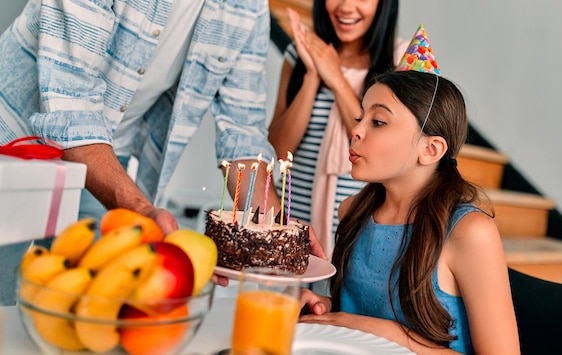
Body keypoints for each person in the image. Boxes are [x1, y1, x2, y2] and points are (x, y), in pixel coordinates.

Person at [0, 0, 324, 305]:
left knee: (92, 303)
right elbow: (70, 104)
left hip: (105, 156)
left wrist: (277, 232)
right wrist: (143, 209)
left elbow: (243, 133)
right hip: (11, 137)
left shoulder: (248, 7)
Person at [299, 69, 520, 354]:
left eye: (378, 121)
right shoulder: (352, 211)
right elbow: (363, 311)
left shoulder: (469, 232)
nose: (356, 130)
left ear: (431, 149)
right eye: (360, 118)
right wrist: (328, 310)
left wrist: (395, 335)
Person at [268, 0, 408, 256]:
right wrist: (313, 75)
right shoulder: (298, 54)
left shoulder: (402, 59)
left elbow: (383, 150)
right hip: (288, 230)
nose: (346, 6)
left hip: (356, 238)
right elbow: (277, 151)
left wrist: (335, 77)